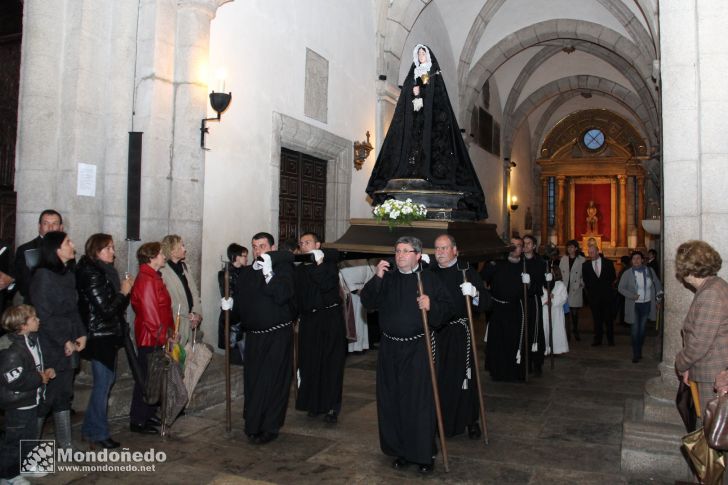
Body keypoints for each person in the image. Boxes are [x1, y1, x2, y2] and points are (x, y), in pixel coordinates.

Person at [360, 236, 452, 474]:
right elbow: (368, 302)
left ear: (418, 255)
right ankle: (400, 450)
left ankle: (423, 454)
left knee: (419, 402)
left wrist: (431, 305)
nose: (400, 255)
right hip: (390, 348)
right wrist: (377, 277)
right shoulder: (387, 278)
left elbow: (446, 311)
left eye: (406, 251)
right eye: (397, 251)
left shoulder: (429, 279)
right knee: (393, 400)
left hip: (418, 348)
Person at [365, 44, 487, 219]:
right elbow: (405, 100)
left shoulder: (434, 74)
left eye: (424, 52)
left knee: (429, 148)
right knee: (413, 147)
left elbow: (439, 101)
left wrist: (423, 90)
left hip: (432, 123)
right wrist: (413, 93)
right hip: (415, 119)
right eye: (419, 53)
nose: (421, 55)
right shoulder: (413, 74)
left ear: (428, 56)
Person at [231, 232, 295, 445]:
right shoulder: (247, 273)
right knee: (254, 381)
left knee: (273, 380)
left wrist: (270, 275)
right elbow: (240, 305)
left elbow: (283, 295)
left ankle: (270, 426)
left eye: (262, 246)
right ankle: (253, 423)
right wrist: (230, 308)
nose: (258, 251)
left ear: (272, 247)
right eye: (255, 247)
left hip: (277, 334)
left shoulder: (283, 269)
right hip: (255, 337)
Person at [29, 231, 86, 449]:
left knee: (63, 395)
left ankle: (65, 445)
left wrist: (81, 334)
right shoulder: (43, 276)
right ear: (57, 249)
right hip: (50, 344)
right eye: (68, 242)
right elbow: (43, 315)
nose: (73, 245)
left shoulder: (67, 274)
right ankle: (29, 450)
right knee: (45, 398)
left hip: (69, 340)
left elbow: (73, 309)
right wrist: (65, 340)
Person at [76, 234, 133, 449]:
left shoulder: (104, 271)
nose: (113, 252)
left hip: (107, 334)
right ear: (96, 250)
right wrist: (123, 292)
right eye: (108, 248)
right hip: (99, 336)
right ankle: (98, 432)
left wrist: (122, 293)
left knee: (106, 383)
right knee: (103, 384)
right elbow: (106, 310)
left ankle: (91, 429)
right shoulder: (92, 273)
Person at [430, 234, 490, 439]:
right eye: (437, 248)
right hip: (436, 333)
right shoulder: (430, 272)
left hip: (459, 333)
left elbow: (486, 302)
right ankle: (440, 420)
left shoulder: (466, 271)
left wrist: (475, 294)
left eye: (444, 248)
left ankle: (470, 419)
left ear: (455, 250)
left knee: (465, 377)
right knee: (439, 378)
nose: (440, 252)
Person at [294, 232, 346, 423]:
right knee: (310, 363)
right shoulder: (299, 270)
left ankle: (332, 406)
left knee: (331, 363)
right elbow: (297, 297)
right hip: (309, 320)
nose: (304, 246)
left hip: (330, 318)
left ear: (318, 244)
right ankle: (314, 404)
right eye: (301, 243)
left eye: (308, 242)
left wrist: (318, 264)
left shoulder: (329, 266)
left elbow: (326, 285)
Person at [0, 304, 55, 483]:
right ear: (23, 326)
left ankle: (27, 464)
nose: (38, 320)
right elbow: (14, 379)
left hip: (31, 399)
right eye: (34, 319)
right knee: (14, 441)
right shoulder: (12, 351)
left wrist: (46, 371)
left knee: (29, 436)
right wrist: (40, 378)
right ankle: (9, 474)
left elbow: (33, 366)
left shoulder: (30, 340)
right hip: (18, 403)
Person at [673, 240, 728, 414]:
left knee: (712, 429)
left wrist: (680, 363)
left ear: (688, 268)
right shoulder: (714, 285)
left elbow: (699, 343)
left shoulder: (711, 293)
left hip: (712, 374)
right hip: (709, 368)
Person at [129, 242, 174, 435]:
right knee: (147, 379)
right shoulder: (147, 279)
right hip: (151, 337)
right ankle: (138, 419)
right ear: (153, 256)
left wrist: (170, 331)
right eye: (162, 254)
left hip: (156, 335)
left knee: (153, 378)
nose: (164, 256)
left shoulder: (152, 276)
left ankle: (147, 414)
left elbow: (162, 309)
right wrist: (163, 337)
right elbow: (150, 313)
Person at [481, 238, 530, 381]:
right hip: (497, 308)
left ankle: (514, 372)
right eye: (512, 246)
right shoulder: (497, 263)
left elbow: (534, 288)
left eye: (519, 246)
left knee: (513, 340)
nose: (516, 248)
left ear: (522, 249)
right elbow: (482, 278)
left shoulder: (525, 265)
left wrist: (529, 283)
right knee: (497, 341)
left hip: (516, 308)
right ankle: (497, 371)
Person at [618, 251, 663, 363]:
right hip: (634, 306)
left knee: (642, 331)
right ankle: (636, 353)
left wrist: (658, 300)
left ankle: (639, 349)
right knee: (634, 330)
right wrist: (632, 295)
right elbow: (621, 288)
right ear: (631, 261)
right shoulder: (627, 273)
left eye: (638, 258)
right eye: (634, 259)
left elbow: (657, 285)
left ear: (643, 260)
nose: (636, 260)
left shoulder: (650, 271)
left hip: (647, 304)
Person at [160, 235, 202, 348]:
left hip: (190, 321)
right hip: (176, 322)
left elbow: (194, 292)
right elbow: (168, 299)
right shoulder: (163, 271)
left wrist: (197, 313)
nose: (185, 249)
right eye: (181, 246)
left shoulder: (185, 267)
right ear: (172, 251)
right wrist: (188, 314)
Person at [14, 209, 63, 303]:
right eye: (46, 223)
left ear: (61, 227)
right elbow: (24, 285)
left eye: (55, 223)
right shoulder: (26, 249)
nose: (50, 227)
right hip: (36, 304)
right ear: (39, 226)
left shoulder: (67, 249)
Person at [218, 243, 248, 365]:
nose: (247, 258)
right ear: (236, 257)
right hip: (232, 319)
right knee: (235, 357)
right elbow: (229, 296)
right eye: (244, 256)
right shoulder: (225, 274)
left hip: (245, 317)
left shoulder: (246, 272)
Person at [582, 244, 616, 346]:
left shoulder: (608, 263)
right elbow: (586, 280)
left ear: (598, 251)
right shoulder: (586, 265)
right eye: (589, 253)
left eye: (592, 252)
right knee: (597, 320)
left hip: (607, 296)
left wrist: (605, 288)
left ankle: (610, 340)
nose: (590, 254)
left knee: (608, 319)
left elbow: (612, 277)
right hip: (594, 297)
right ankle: (598, 339)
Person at [522, 235, 546, 376]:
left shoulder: (541, 262)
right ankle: (525, 362)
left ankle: (537, 363)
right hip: (521, 301)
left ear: (534, 246)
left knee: (535, 331)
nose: (525, 246)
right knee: (523, 331)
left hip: (534, 300)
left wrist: (550, 279)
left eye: (528, 243)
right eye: (524, 243)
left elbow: (547, 282)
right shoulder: (520, 261)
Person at [558, 240, 586, 341]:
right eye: (568, 247)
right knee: (566, 312)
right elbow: (560, 273)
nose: (570, 249)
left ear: (576, 248)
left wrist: (581, 283)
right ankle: (567, 332)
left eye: (572, 247)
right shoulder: (563, 259)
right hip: (565, 288)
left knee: (575, 312)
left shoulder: (582, 260)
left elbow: (585, 274)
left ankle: (575, 330)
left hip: (575, 288)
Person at [542, 266, 569, 355]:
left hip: (556, 311)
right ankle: (545, 348)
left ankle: (557, 348)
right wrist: (544, 301)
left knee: (556, 330)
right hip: (545, 311)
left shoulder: (560, 285)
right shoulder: (543, 284)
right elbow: (540, 296)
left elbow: (563, 298)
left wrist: (553, 300)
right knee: (545, 329)